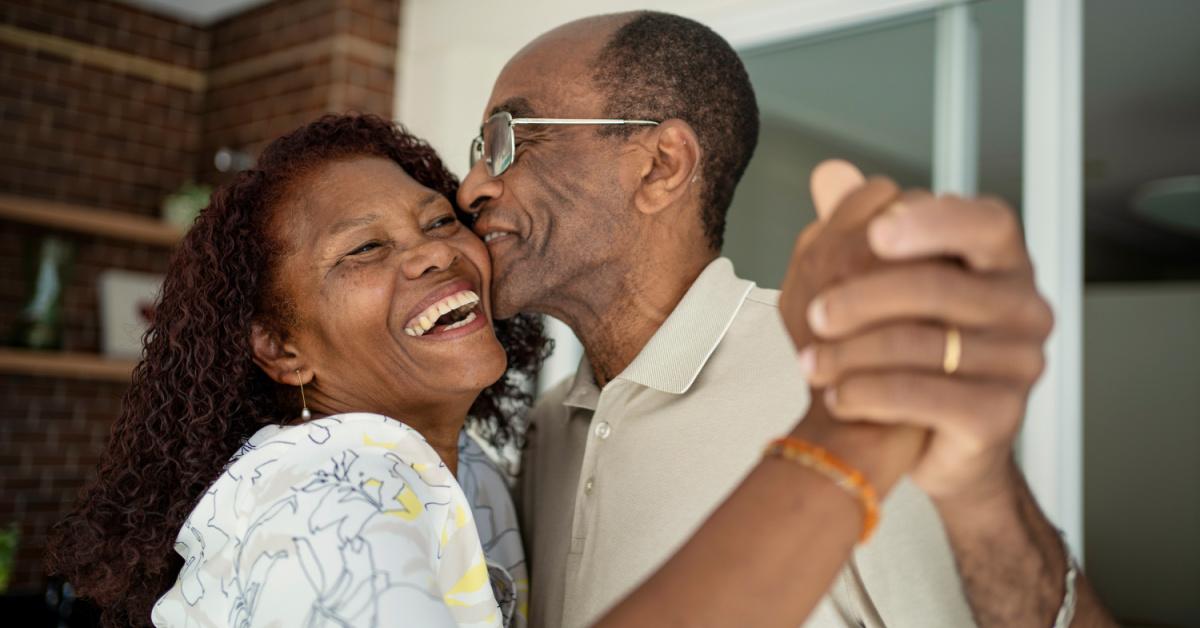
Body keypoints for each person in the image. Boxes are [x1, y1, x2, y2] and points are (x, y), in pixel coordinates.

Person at [46, 114, 976, 627]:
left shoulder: (481, 472)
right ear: (282, 347)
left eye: (438, 221)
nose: (435, 252)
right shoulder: (340, 482)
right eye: (364, 249)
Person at [456, 11, 1115, 628]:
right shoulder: (550, 427)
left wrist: (983, 491)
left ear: (661, 167)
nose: (472, 187)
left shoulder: (837, 381)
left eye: (506, 141)